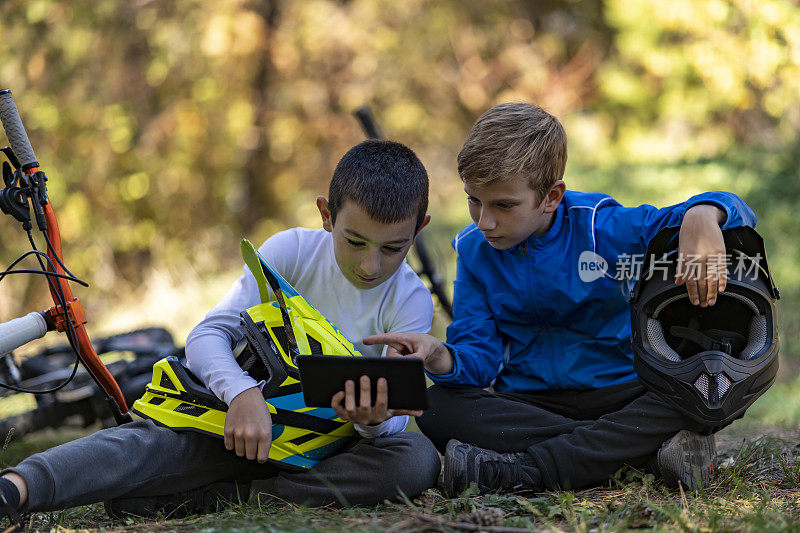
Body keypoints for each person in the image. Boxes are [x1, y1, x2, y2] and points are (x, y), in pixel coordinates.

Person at [0, 140, 441, 522]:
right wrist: (241, 394)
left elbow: (396, 416)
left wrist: (372, 423)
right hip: (236, 428)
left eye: (392, 249)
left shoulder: (411, 301)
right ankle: (17, 488)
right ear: (327, 215)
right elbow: (206, 335)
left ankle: (222, 499)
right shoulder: (291, 252)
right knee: (148, 445)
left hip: (326, 453)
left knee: (415, 458)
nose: (371, 265)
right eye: (356, 242)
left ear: (417, 231)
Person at [366, 102, 757, 496]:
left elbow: (736, 209)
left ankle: (528, 469)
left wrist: (704, 216)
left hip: (625, 392)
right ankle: (639, 453)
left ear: (551, 196)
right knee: (437, 407)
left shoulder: (603, 227)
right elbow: (479, 360)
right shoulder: (475, 251)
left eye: (503, 205)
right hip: (531, 404)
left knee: (701, 392)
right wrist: (437, 355)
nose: (484, 221)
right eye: (474, 201)